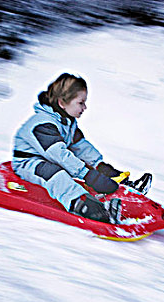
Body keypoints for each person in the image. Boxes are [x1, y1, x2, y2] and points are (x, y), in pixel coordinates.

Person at [12, 73, 124, 223]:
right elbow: (60, 155)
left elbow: (80, 146)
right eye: (80, 103)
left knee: (67, 168)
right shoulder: (42, 124)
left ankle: (114, 196)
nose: (85, 107)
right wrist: (88, 175)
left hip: (47, 158)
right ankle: (85, 207)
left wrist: (100, 166)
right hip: (28, 163)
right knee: (55, 174)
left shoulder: (67, 122)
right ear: (62, 103)